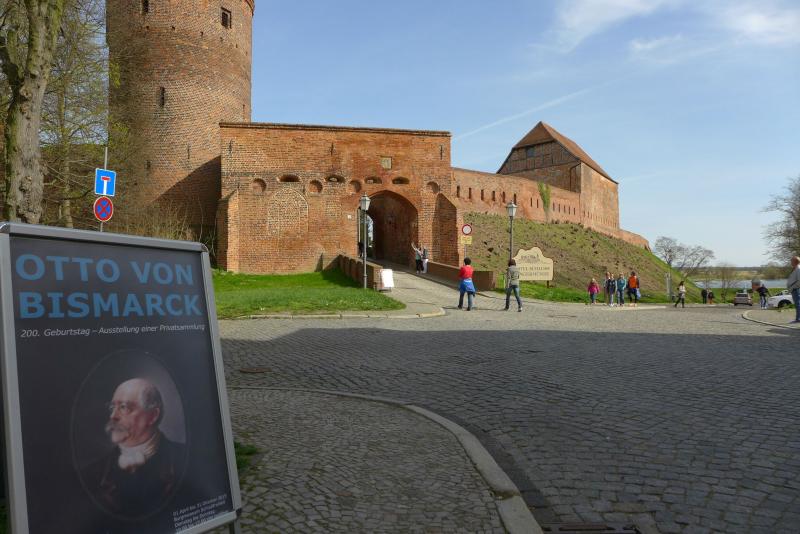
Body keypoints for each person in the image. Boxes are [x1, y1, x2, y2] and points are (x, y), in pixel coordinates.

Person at [81, 378, 185, 518]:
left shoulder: (186, 458)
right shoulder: (92, 474)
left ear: (153, 416)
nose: (113, 416)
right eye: (112, 408)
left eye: (124, 407)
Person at [788, 256, 800, 323]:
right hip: (794, 289)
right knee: (797, 304)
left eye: (791, 261)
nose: (790, 262)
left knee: (798, 304)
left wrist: (793, 287)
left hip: (796, 289)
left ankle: (798, 319)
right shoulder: (795, 268)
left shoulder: (798, 269)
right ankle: (798, 318)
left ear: (795, 261)